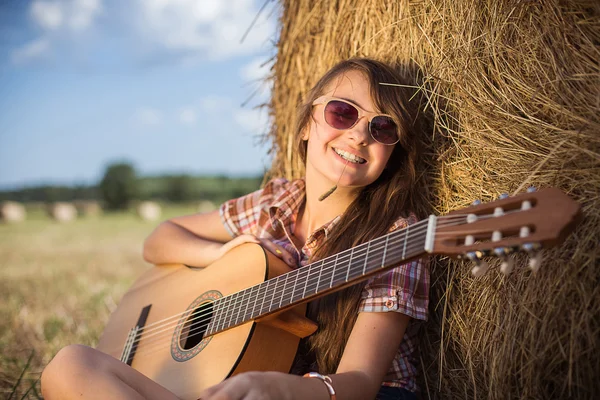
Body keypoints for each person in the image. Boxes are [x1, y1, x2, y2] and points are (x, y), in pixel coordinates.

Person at [41, 58, 430, 400]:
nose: (360, 135)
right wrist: (219, 254)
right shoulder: (273, 204)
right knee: (69, 366)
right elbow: (160, 239)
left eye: (382, 128)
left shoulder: (395, 236)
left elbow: (360, 382)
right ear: (306, 125)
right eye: (343, 113)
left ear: (393, 152)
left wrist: (284, 390)